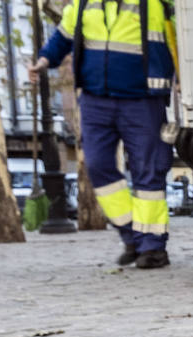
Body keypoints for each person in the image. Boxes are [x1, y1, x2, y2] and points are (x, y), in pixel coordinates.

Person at [30, 1, 177, 269]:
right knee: (98, 166)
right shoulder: (83, 4)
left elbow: (181, 36)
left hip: (142, 100)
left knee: (148, 171)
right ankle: (131, 234)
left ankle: (152, 247)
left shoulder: (155, 4)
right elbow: (62, 37)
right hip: (96, 100)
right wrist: (43, 61)